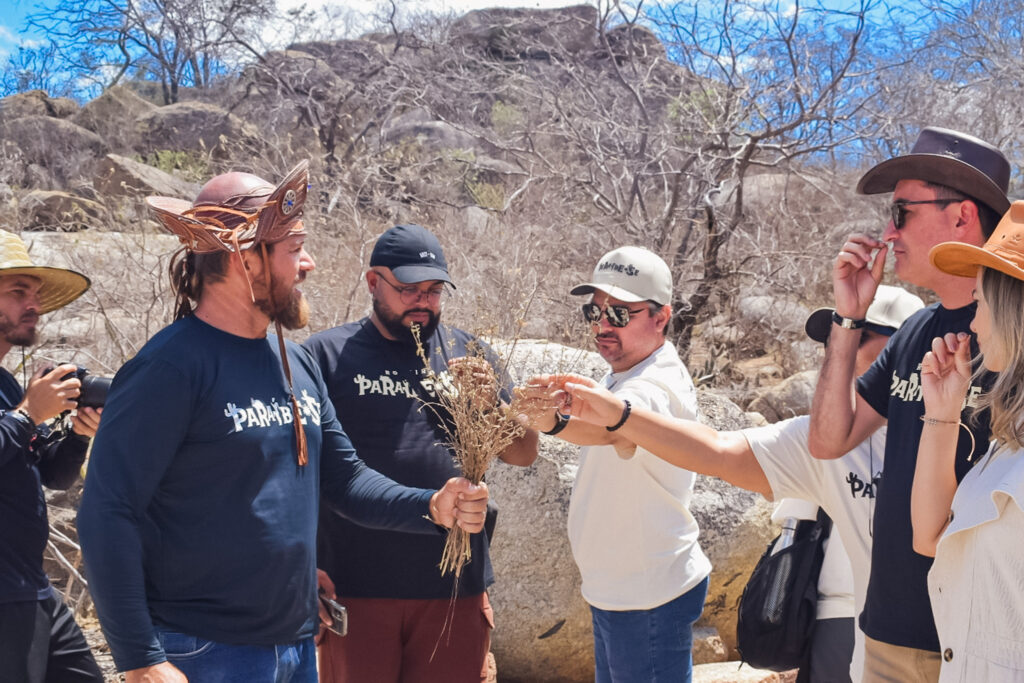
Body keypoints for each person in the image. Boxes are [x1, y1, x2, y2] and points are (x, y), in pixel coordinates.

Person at [76, 162, 490, 683]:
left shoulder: (293, 362)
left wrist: (431, 504)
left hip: (295, 645)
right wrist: (140, 658)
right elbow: (106, 511)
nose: (309, 263)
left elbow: (345, 479)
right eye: (294, 249)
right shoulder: (170, 367)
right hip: (205, 650)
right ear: (245, 260)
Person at [530, 284, 924, 682]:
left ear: (911, 346)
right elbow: (717, 451)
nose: (836, 351)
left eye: (858, 335)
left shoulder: (959, 431)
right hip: (842, 618)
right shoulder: (818, 441)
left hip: (939, 627)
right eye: (832, 338)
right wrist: (616, 415)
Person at [806, 126, 1009, 681]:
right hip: (887, 631)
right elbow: (828, 439)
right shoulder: (915, 331)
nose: (887, 233)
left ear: (962, 217)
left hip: (978, 639)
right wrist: (848, 318)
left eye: (900, 212)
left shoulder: (1011, 342)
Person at [303, 223, 538, 683]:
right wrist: (302, 566)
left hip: (455, 587)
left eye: (434, 291)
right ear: (374, 283)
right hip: (356, 585)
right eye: (408, 289)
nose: (423, 301)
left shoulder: (467, 351)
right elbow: (303, 469)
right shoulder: (325, 356)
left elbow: (524, 453)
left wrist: (493, 403)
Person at [521, 245, 710, 682]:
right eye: (595, 313)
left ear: (661, 318)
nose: (603, 326)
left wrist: (552, 422)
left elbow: (619, 428)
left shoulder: (656, 385)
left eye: (620, 314)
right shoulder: (628, 370)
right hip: (624, 592)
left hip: (646, 596)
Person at [911, 202, 1024, 681]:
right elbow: (930, 538)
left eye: (979, 301)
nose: (974, 324)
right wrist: (941, 412)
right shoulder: (1010, 437)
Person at [0, 229, 103, 683]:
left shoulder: (5, 384)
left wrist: (79, 435)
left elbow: (53, 478)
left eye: (36, 294)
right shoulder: (17, 400)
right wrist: (28, 415)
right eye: (18, 291)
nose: (34, 305)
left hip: (31, 589)